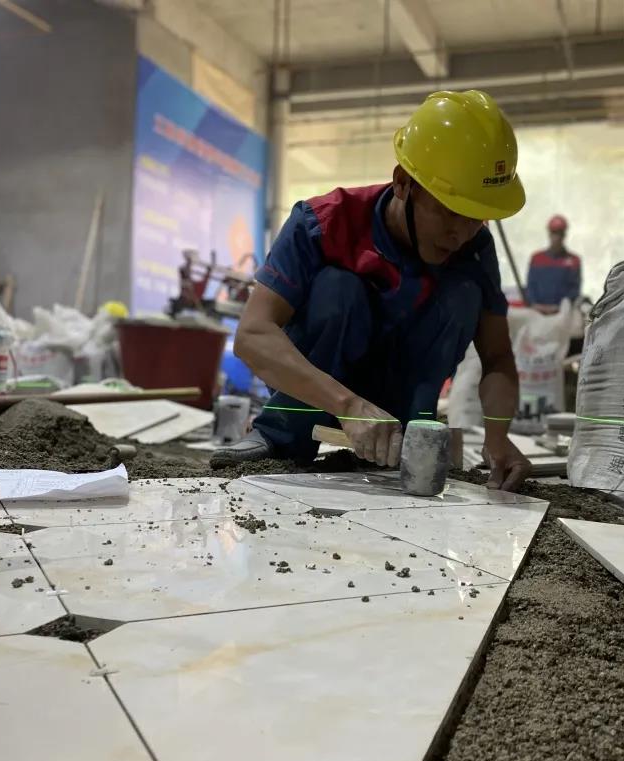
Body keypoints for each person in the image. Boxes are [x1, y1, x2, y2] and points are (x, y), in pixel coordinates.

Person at [211, 90, 533, 491]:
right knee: (338, 288)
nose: (461, 233)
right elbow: (252, 335)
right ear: (402, 183)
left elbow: (497, 357)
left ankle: (407, 443)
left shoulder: (474, 250)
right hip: (315, 392)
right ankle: (282, 437)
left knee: (462, 295)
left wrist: (499, 437)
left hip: (397, 419)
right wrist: (348, 405)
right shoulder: (324, 223)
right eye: (450, 212)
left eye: (476, 217)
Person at [525, 215, 581, 314]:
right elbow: (531, 285)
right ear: (549, 234)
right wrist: (535, 304)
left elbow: (574, 289)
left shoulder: (574, 260)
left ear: (564, 235)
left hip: (562, 313)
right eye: (554, 233)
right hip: (537, 311)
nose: (557, 237)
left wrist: (559, 307)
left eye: (560, 233)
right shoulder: (537, 258)